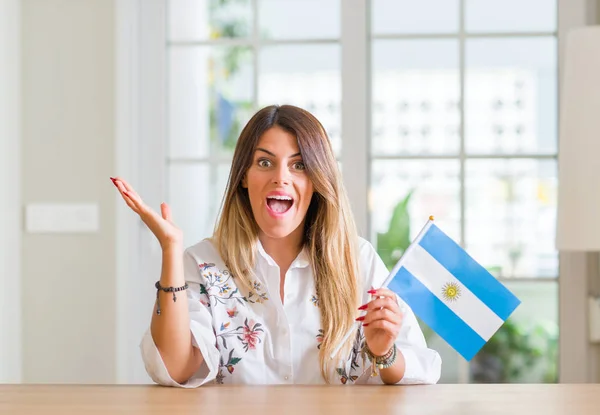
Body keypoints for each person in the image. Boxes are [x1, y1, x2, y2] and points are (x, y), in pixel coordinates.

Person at [111, 104, 441, 387]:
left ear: (317, 181)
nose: (281, 178)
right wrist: (171, 249)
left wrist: (384, 353)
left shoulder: (358, 259)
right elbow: (175, 369)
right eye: (265, 163)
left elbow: (420, 368)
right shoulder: (202, 262)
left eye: (299, 165)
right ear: (243, 175)